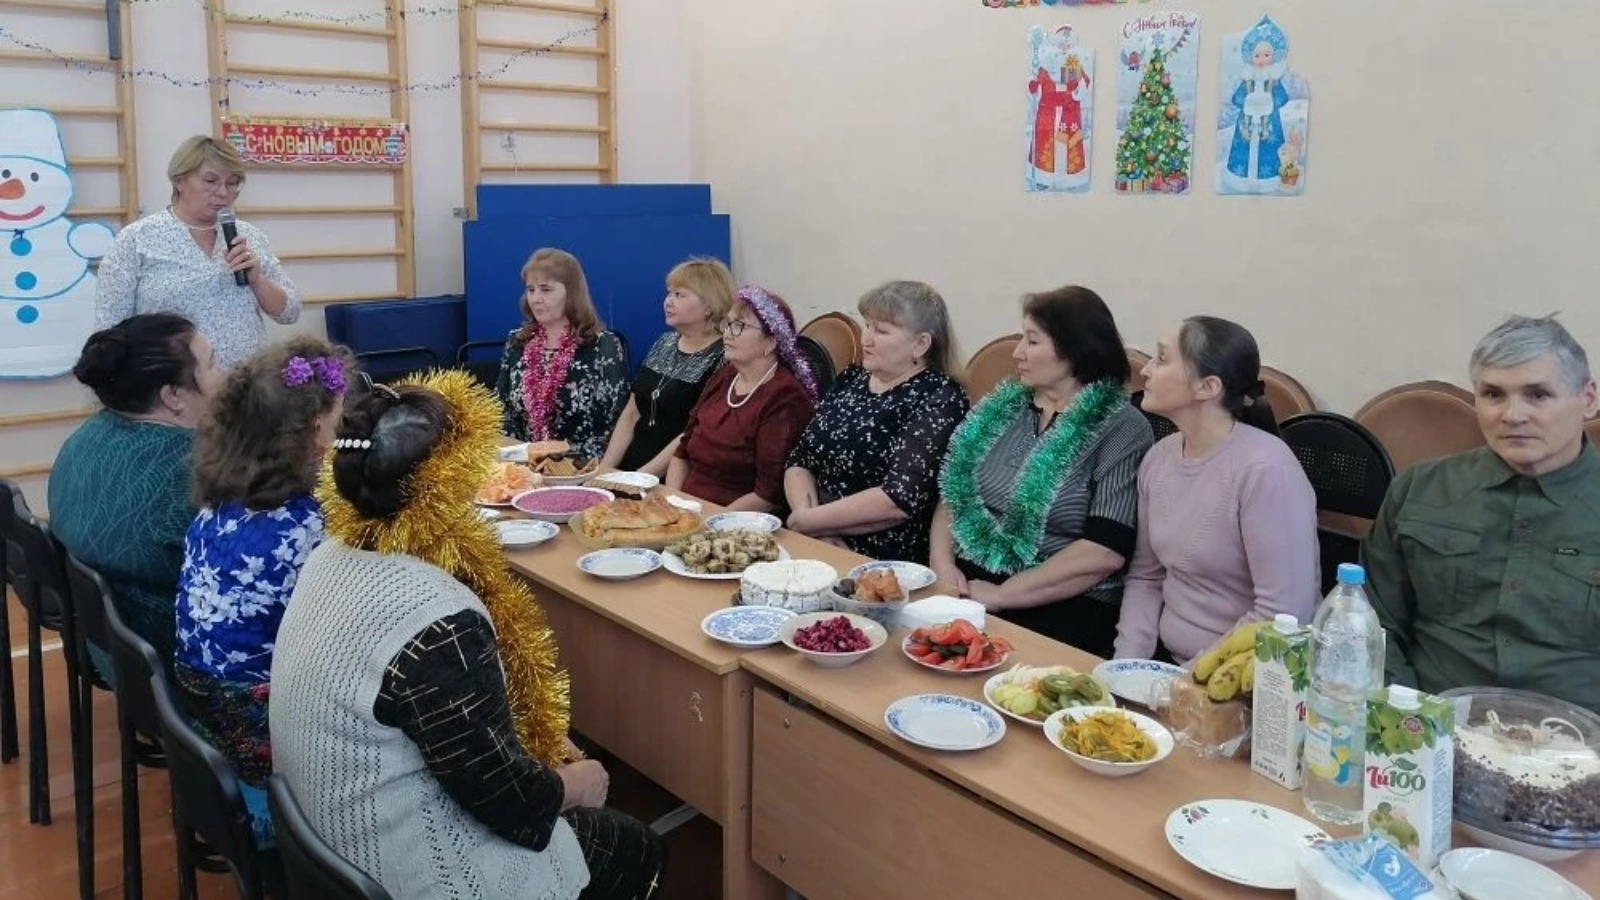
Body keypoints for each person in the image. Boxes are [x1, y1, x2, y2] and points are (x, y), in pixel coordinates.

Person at [271, 369, 664, 900]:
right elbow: (512, 803)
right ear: (446, 483)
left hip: (324, 847)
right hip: (392, 870)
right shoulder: (437, 619)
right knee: (637, 847)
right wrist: (577, 783)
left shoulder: (327, 556)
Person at [1363, 315, 1600, 712]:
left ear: (1588, 398)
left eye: (1538, 395)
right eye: (1493, 394)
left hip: (1577, 736)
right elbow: (1373, 626)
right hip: (1429, 725)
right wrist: (1406, 720)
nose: (1513, 415)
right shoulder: (1421, 490)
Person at [930, 286, 1153, 657]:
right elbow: (955, 491)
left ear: (1075, 349)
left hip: (1065, 601)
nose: (1017, 352)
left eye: (1032, 341)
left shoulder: (1123, 427)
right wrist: (942, 567)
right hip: (969, 579)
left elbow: (1104, 552)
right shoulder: (1004, 406)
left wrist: (1002, 595)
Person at [175, 338, 347, 793]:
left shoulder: (217, 506)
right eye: (339, 422)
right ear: (316, 433)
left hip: (206, 715)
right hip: (266, 733)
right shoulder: (307, 528)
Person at [1113, 317, 1319, 664]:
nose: (1145, 370)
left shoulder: (1266, 470)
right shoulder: (1159, 457)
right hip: (1168, 668)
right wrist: (1124, 668)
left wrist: (1187, 681)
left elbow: (1281, 616)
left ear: (1207, 386)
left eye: (1162, 359)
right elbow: (1147, 577)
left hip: (1248, 675)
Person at [47, 313, 224, 668]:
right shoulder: (196, 477)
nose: (224, 374)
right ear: (173, 396)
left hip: (112, 653)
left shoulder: (85, 439)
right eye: (212, 364)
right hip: (176, 667)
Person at [784, 281, 969, 563]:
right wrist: (810, 523)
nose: (866, 339)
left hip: (881, 558)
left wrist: (810, 522)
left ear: (920, 344)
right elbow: (800, 459)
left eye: (881, 331)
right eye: (867, 325)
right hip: (814, 535)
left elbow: (898, 499)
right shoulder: (853, 378)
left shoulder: (941, 397)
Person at [95, 135, 300, 368]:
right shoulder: (136, 239)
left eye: (232, 183)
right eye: (211, 181)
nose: (223, 193)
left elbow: (290, 312)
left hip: (245, 381)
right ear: (179, 180)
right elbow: (109, 330)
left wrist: (258, 281)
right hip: (171, 383)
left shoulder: (249, 236)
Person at [666, 284, 817, 511]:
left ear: (771, 342)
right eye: (728, 323)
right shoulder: (723, 377)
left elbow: (767, 495)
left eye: (740, 326)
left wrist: (710, 520)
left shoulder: (785, 399)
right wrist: (672, 502)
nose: (728, 333)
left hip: (734, 518)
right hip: (685, 507)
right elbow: (682, 452)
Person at [599, 257, 732, 475]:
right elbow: (632, 412)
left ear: (709, 306)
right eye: (669, 293)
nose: (668, 301)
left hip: (675, 474)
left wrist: (642, 477)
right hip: (631, 467)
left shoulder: (723, 356)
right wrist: (606, 468)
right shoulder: (664, 342)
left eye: (679, 295)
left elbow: (693, 432)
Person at [493, 248, 629, 460]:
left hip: (581, 465)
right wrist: (511, 457)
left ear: (572, 293)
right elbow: (501, 411)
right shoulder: (517, 341)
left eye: (546, 290)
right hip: (524, 461)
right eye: (531, 290)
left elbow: (614, 424)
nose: (536, 299)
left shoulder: (604, 345)